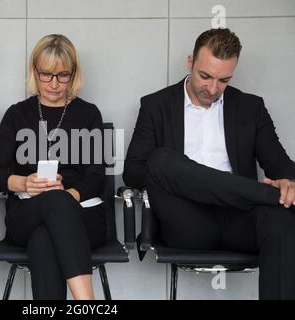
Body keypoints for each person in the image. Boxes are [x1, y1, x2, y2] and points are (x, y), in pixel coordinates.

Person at [124, 28, 295, 300]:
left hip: (239, 217)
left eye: (223, 80)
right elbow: (133, 171)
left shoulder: (251, 108)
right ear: (190, 62)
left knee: (282, 217)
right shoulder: (156, 105)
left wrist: (289, 182)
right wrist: (185, 177)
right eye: (205, 76)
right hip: (188, 221)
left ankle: (265, 197)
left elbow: (282, 166)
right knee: (160, 159)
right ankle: (264, 194)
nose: (213, 89)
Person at [0, 34, 106, 300]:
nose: (53, 84)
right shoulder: (18, 114)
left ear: (74, 74)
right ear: (34, 72)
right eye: (46, 75)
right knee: (50, 211)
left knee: (43, 238)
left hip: (82, 215)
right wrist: (24, 183)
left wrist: (67, 197)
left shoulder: (89, 114)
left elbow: (98, 177)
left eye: (62, 75)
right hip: (26, 212)